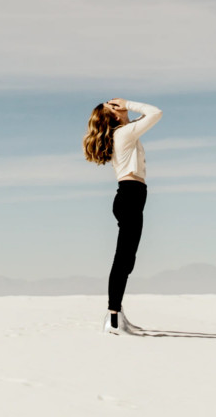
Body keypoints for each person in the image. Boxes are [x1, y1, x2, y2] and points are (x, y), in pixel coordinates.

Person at [82, 97, 163, 335]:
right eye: (114, 106)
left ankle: (117, 315)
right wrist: (129, 103)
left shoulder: (125, 132)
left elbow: (145, 118)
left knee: (127, 260)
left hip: (130, 196)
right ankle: (113, 319)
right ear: (115, 115)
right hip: (130, 196)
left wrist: (126, 110)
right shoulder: (124, 134)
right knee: (123, 260)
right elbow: (155, 112)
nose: (120, 106)